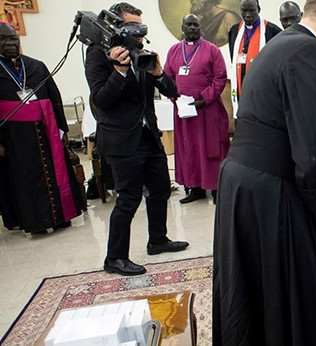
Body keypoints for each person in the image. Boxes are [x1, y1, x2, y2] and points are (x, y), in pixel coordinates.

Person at [212, 0, 316, 343]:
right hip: (270, 191)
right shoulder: (311, 52)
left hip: (240, 182)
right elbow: (315, 155)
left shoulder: (278, 44)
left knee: (250, 295)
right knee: (287, 295)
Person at [84, 2, 189, 276]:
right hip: (121, 140)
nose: (139, 34)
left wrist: (159, 74)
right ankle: (114, 258)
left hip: (147, 135)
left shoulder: (141, 53)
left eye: (142, 28)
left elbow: (171, 90)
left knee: (161, 189)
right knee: (128, 199)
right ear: (117, 27)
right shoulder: (98, 55)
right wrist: (118, 71)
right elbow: (101, 101)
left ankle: (158, 240)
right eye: (133, 27)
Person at [0, 20, 82, 234]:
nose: (9, 43)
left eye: (13, 38)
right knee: (28, 179)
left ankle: (62, 217)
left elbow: (54, 97)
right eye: (3, 39)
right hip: (16, 137)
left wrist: (62, 129)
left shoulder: (36, 65)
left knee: (55, 172)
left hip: (47, 132)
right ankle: (37, 222)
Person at [164, 14, 229, 204]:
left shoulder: (212, 50)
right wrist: (174, 97)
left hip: (207, 110)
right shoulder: (174, 51)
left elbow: (220, 78)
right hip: (185, 113)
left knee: (211, 148)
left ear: (201, 29)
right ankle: (195, 188)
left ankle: (217, 188)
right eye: (189, 25)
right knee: (189, 149)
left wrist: (203, 100)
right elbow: (167, 79)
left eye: (196, 25)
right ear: (182, 27)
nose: (192, 28)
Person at [227, 0, 282, 117]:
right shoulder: (234, 31)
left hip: (263, 91)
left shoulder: (272, 31)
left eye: (251, 10)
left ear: (259, 9)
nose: (247, 14)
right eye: (244, 11)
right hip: (240, 89)